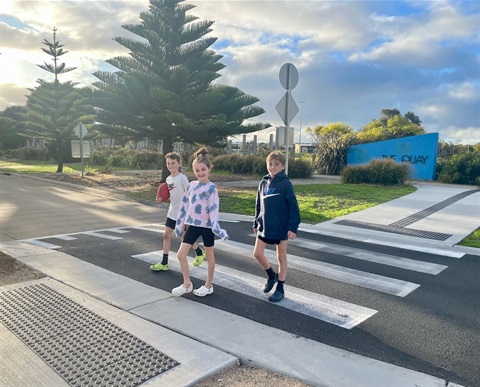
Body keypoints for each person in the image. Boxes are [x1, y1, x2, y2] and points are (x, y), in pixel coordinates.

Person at [172, 147, 229, 297]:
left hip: (207, 227)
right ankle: (187, 284)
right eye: (197, 170)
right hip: (193, 226)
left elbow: (214, 209)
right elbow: (184, 205)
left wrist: (217, 228)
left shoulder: (211, 188)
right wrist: (181, 223)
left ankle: (208, 285)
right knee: (180, 254)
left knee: (209, 257)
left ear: (209, 169)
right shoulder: (191, 186)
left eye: (203, 169)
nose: (200, 173)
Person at [253, 150, 300, 302]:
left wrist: (293, 228)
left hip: (281, 226)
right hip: (264, 226)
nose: (273, 167)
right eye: (270, 164)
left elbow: (293, 206)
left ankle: (280, 288)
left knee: (281, 257)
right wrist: (256, 221)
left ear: (282, 166)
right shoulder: (263, 183)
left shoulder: (286, 184)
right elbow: (258, 204)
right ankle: (271, 275)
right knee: (257, 253)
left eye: (276, 164)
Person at [150, 152, 205, 271]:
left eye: (173, 163)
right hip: (172, 212)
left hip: (183, 213)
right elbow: (172, 195)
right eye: (168, 163)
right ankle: (164, 263)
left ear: (179, 164)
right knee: (166, 235)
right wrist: (162, 198)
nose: (170, 165)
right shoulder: (168, 179)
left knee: (184, 238)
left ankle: (199, 252)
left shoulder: (182, 178)